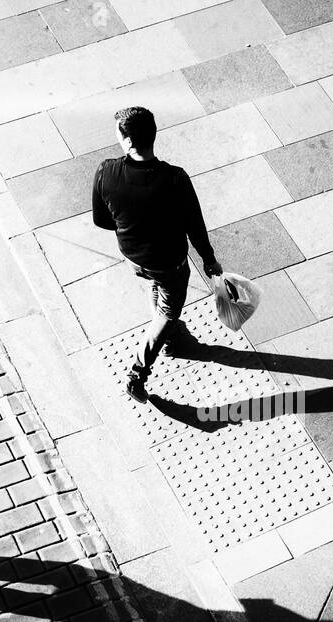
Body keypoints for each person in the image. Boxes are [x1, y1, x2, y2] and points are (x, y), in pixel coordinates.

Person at [92, 106, 224, 403]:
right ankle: (138, 371)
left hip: (134, 258)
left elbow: (101, 220)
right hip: (170, 262)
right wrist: (209, 259)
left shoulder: (106, 171)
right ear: (154, 135)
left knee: (157, 289)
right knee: (169, 311)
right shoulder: (175, 179)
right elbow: (195, 227)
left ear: (127, 141)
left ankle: (165, 333)